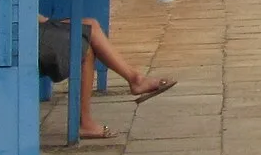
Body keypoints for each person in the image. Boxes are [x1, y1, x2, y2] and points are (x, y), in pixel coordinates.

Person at [36, 15, 175, 140]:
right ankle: (135, 81)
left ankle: (136, 79)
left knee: (91, 25)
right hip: (24, 34)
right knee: (85, 46)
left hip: (30, 25)